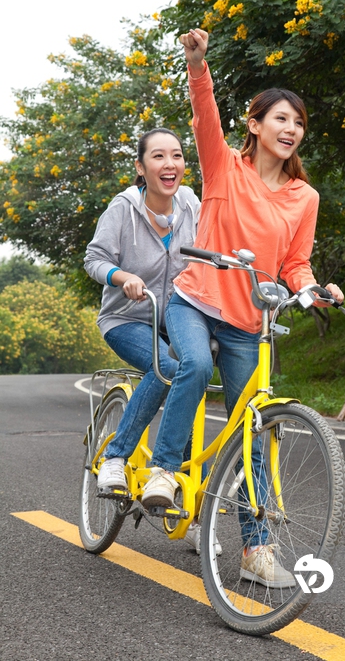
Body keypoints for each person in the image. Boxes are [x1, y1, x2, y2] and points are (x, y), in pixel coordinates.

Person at [140, 28, 344, 586]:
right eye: (281, 119)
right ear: (255, 125)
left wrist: (314, 287)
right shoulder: (224, 166)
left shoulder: (306, 198)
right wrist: (196, 63)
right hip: (196, 299)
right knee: (194, 366)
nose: (292, 130)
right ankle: (162, 470)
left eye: (299, 123)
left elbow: (295, 263)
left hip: (249, 321)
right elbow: (204, 112)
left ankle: (257, 551)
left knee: (253, 428)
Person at [84, 126, 207, 553]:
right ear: (141, 167)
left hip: (178, 317)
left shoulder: (192, 203)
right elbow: (94, 258)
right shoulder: (123, 208)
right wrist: (123, 277)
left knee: (194, 382)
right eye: (157, 156)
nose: (168, 164)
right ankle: (116, 455)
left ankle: (190, 509)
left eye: (176, 155)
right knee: (168, 369)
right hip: (127, 317)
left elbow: (214, 250)